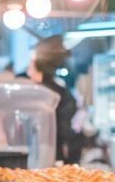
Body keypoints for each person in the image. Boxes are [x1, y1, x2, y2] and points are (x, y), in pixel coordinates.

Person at [27, 35, 77, 163]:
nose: (29, 70)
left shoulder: (43, 93)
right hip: (53, 151)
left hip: (46, 151)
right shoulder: (58, 91)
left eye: (31, 64)